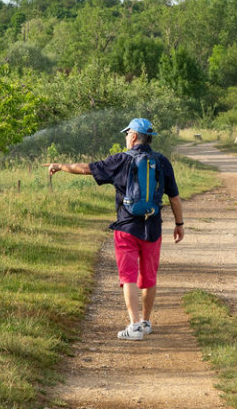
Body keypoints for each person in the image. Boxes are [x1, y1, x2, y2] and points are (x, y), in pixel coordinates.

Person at [44, 117, 184, 341]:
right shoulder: (162, 161)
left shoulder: (121, 160)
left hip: (126, 227)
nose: (126, 137)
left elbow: (86, 169)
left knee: (128, 277)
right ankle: (146, 322)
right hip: (153, 229)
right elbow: (174, 197)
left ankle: (134, 326)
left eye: (127, 134)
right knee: (149, 277)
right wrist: (179, 224)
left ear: (134, 136)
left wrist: (60, 166)